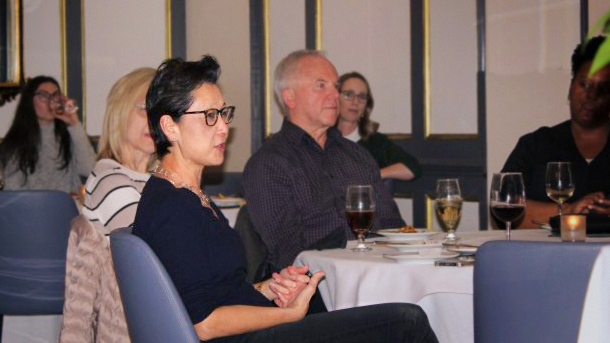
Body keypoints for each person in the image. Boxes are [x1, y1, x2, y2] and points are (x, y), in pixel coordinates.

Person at [134, 55, 438, 343]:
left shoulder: (189, 197)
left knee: (402, 317)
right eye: (210, 116)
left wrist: (269, 288)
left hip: (249, 333)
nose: (224, 127)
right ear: (169, 126)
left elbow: (218, 291)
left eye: (224, 114)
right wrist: (287, 314)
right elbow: (203, 323)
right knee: (405, 321)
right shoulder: (171, 207)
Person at [243, 50, 405, 269]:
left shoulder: (357, 155)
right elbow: (289, 255)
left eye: (335, 86)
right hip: (317, 290)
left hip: (375, 273)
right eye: (321, 85)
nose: (335, 95)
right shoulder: (269, 164)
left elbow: (393, 227)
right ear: (289, 97)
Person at [502, 36, 610, 228]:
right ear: (570, 87)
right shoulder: (536, 145)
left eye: (602, 88)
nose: (591, 95)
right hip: (542, 256)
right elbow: (505, 208)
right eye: (584, 84)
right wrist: (568, 210)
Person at [82, 67, 157, 234]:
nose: (155, 120)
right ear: (120, 111)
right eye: (145, 109)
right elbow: (153, 248)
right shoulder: (109, 179)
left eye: (162, 112)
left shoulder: (159, 179)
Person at [0, 76, 95, 193]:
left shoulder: (70, 136)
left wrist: (74, 123)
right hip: (28, 207)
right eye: (44, 96)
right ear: (30, 100)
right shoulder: (16, 142)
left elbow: (90, 169)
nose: (51, 101)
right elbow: (11, 190)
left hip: (65, 207)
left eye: (55, 95)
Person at [335, 71, 421, 180]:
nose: (355, 102)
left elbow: (412, 168)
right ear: (335, 98)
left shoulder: (376, 142)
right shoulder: (322, 138)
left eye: (362, 97)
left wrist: (374, 175)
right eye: (348, 95)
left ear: (367, 105)